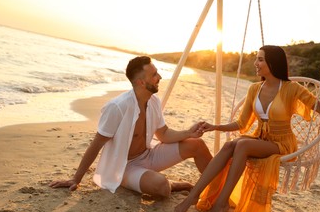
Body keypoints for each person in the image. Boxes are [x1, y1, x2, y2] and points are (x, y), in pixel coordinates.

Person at [174, 45, 320, 212]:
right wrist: (215, 127)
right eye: (256, 59)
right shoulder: (254, 88)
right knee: (230, 145)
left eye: (260, 59)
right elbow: (241, 124)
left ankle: (222, 202)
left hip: (281, 144)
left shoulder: (291, 88)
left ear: (273, 63)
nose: (256, 63)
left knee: (242, 144)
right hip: (259, 139)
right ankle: (194, 195)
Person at [49, 56, 213, 198]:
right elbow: (96, 144)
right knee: (162, 187)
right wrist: (76, 179)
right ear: (141, 82)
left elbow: (163, 134)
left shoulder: (154, 101)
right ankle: (175, 185)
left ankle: (217, 192)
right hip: (126, 166)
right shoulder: (117, 107)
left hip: (149, 155)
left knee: (197, 145)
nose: (160, 77)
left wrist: (189, 133)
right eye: (154, 74)